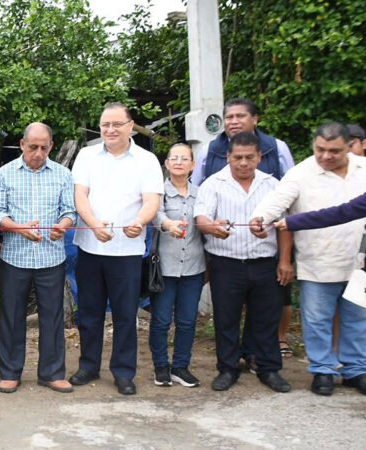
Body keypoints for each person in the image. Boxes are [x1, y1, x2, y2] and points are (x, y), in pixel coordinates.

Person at [251, 122, 366, 396]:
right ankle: (323, 371)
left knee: (358, 319)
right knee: (316, 320)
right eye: (320, 150)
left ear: (349, 146)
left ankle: (356, 369)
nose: (326, 156)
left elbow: (344, 212)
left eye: (334, 151)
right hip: (318, 261)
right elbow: (277, 200)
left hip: (359, 262)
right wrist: (261, 218)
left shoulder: (363, 169)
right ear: (313, 145)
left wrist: (289, 222)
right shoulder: (300, 172)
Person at [192, 97, 296, 373]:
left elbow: (285, 224)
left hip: (264, 262)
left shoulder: (274, 185)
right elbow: (200, 217)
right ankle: (227, 369)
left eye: (250, 157)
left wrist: (285, 261)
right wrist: (212, 227)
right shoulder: (213, 184)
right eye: (237, 157)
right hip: (225, 262)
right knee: (226, 319)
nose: (243, 163)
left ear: (259, 157)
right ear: (228, 157)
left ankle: (268, 368)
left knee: (265, 319)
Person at [69, 103, 163, 395]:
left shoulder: (146, 160)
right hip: (90, 247)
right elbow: (80, 196)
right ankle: (88, 366)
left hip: (127, 251)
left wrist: (140, 221)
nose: (110, 130)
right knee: (89, 312)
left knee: (125, 315)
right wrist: (94, 224)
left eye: (116, 124)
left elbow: (151, 200)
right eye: (105, 125)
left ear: (130, 125)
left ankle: (123, 372)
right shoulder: (86, 156)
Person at [0, 122, 76, 394]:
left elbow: (70, 212)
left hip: (51, 257)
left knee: (52, 317)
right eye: (32, 147)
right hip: (15, 256)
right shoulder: (5, 173)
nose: (38, 153)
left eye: (43, 147)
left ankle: (51, 372)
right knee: (12, 316)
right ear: (21, 145)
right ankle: (10, 372)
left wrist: (62, 225)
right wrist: (18, 228)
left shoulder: (63, 174)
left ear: (51, 146)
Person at [148, 143, 206, 388]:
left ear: (193, 165)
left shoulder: (202, 193)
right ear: (167, 164)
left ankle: (181, 367)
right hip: (164, 268)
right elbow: (154, 215)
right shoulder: (157, 192)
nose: (179, 162)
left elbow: (207, 219)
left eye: (185, 158)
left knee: (187, 320)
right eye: (174, 158)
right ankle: (161, 366)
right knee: (161, 320)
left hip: (194, 267)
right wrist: (167, 224)